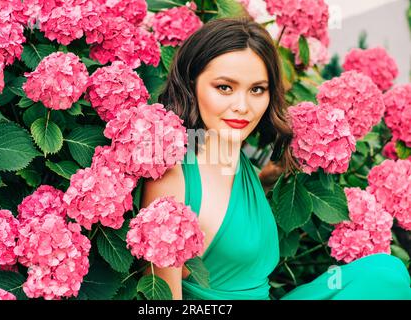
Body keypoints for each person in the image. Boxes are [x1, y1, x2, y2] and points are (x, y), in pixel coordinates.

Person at [140, 17, 411, 300]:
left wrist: (265, 181)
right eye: (224, 87)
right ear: (191, 83)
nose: (242, 107)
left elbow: (224, 219)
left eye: (257, 89)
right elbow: (163, 299)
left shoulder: (234, 157)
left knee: (386, 272)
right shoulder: (172, 175)